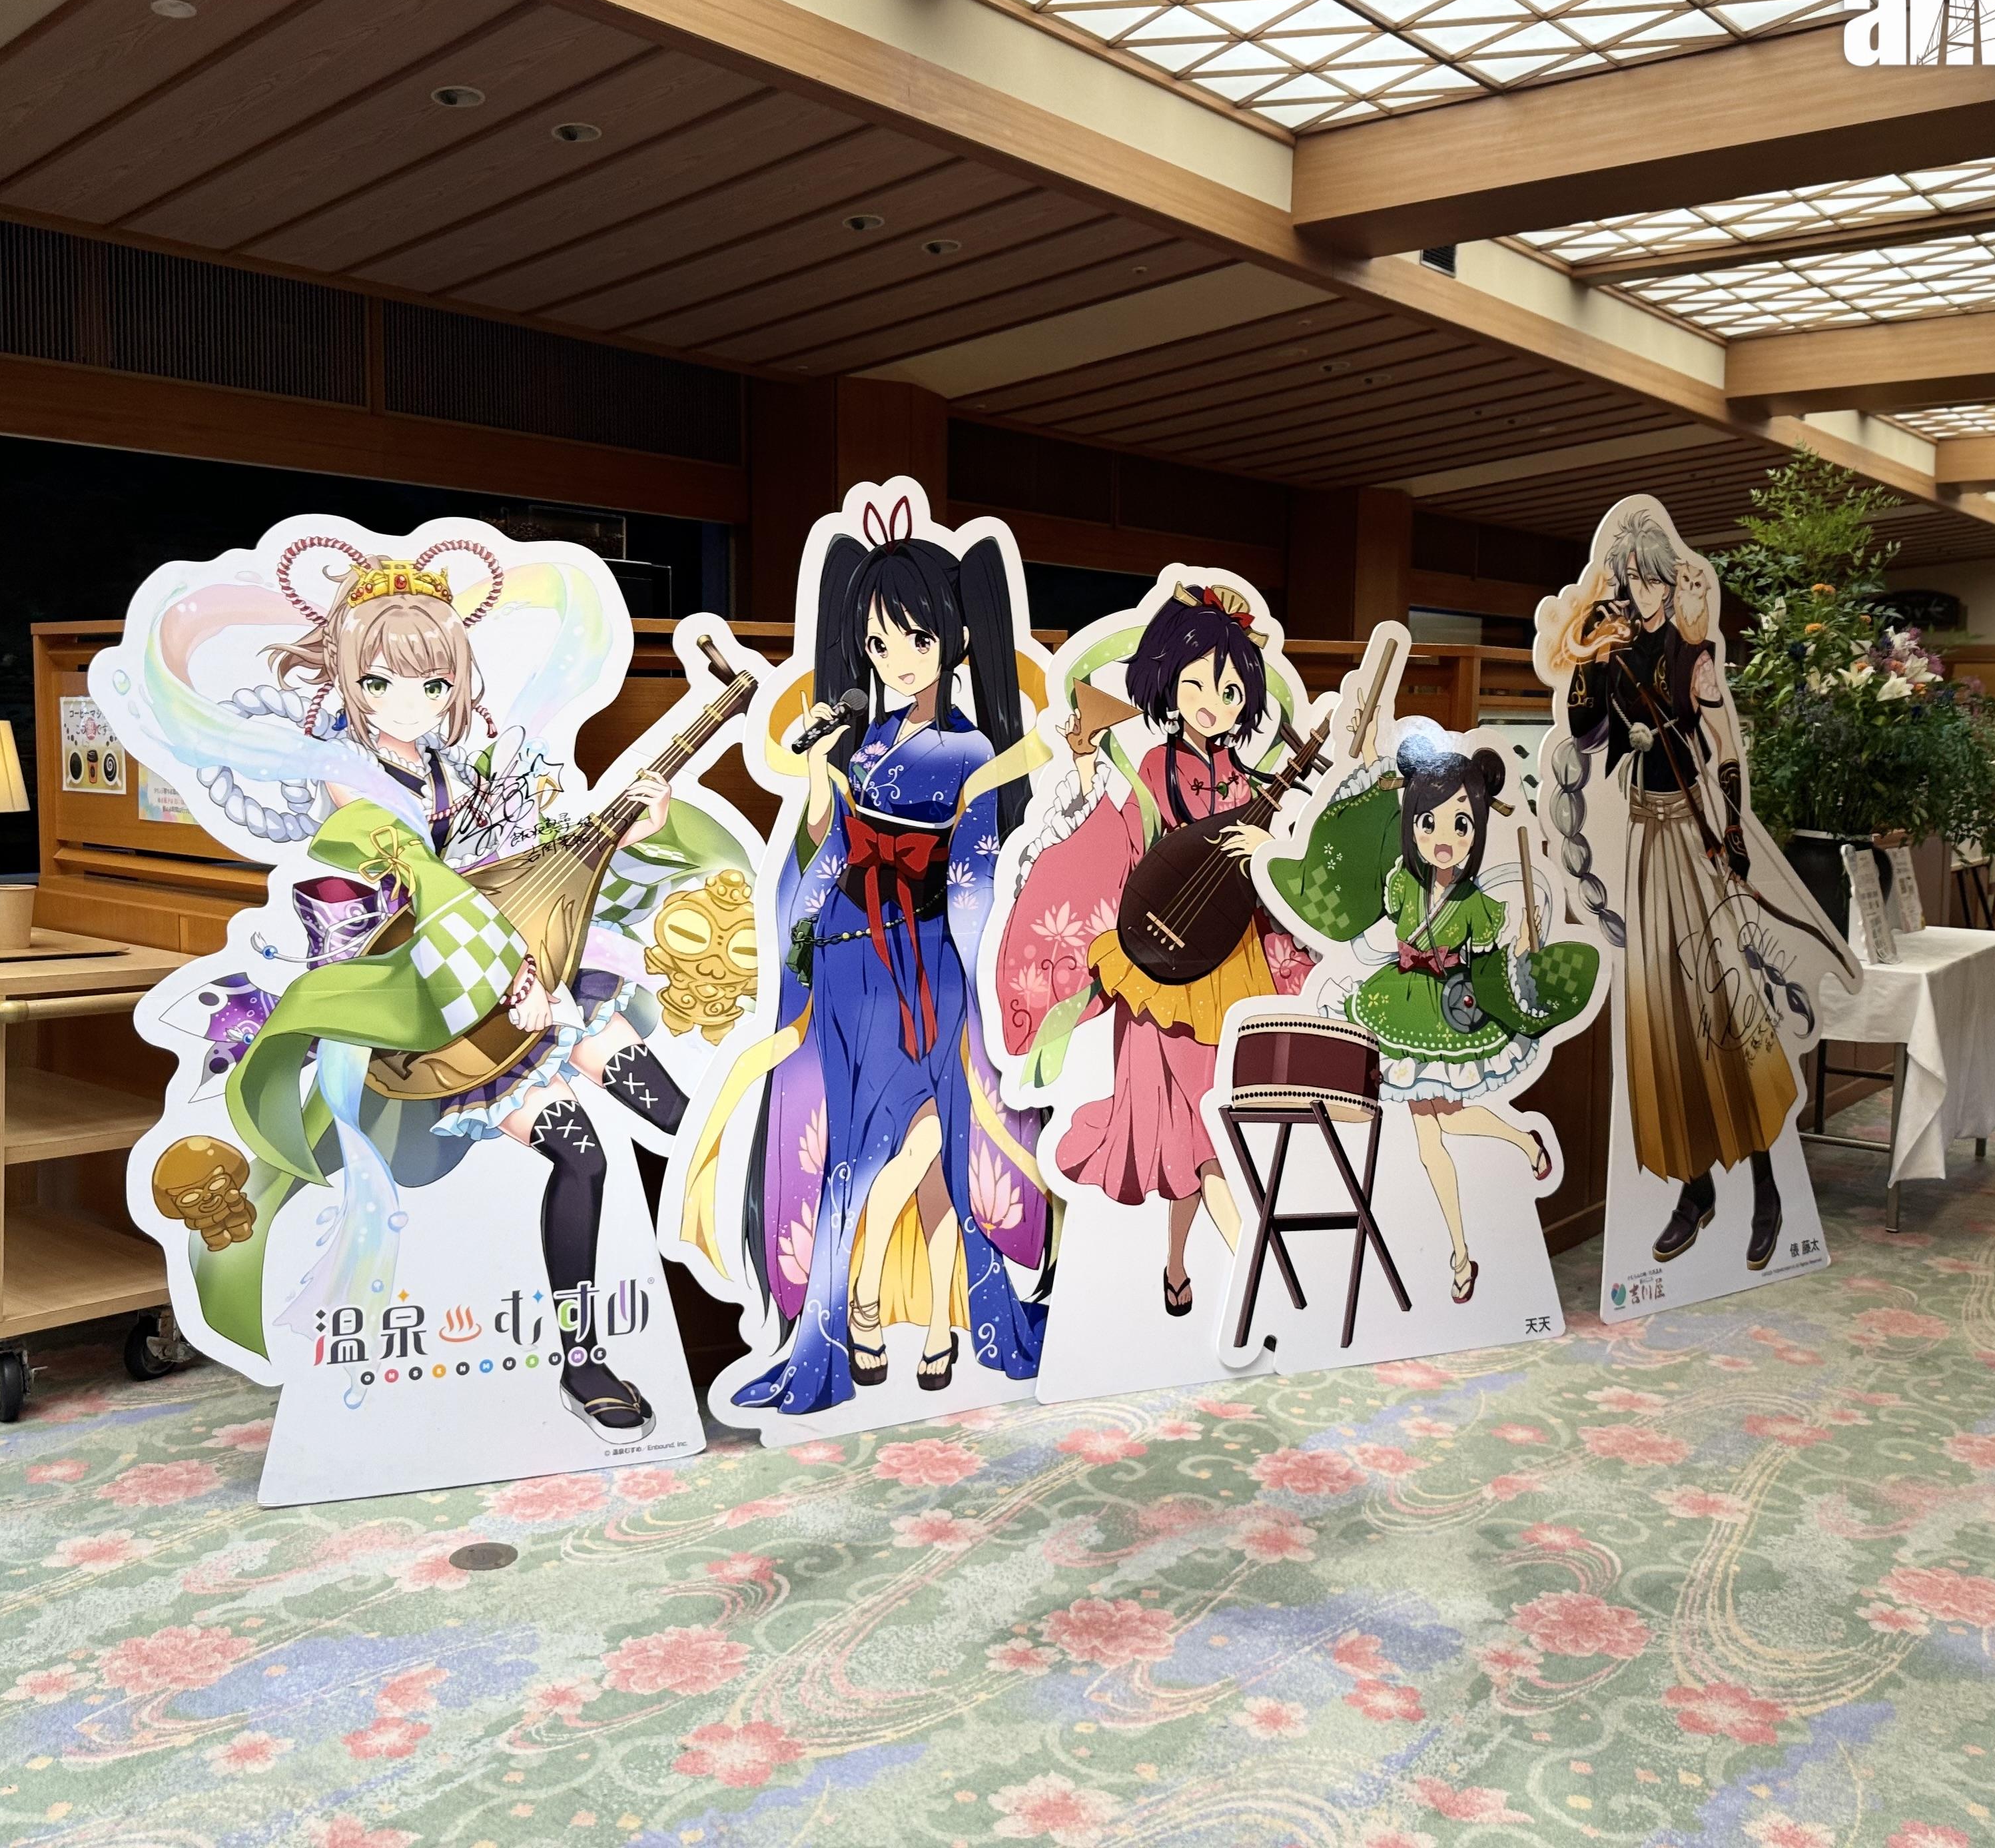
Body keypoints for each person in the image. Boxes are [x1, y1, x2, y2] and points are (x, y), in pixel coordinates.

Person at [216, 538, 699, 1442]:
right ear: (350, 679)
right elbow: (430, 895)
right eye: (383, 683)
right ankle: (582, 1359)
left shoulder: (451, 767)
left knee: (673, 1107)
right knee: (584, 1155)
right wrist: (506, 974)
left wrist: (628, 832)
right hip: (423, 1001)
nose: (411, 703)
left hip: (516, 958)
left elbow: (519, 866)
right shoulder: (348, 780)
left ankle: (754, 1258)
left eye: (434, 684)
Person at [679, 504, 1048, 1414]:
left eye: (917, 639)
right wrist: (818, 766)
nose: (897, 659)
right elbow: (828, 838)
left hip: (927, 959)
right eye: (881, 644)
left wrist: (980, 954)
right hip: (853, 959)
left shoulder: (968, 747)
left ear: (955, 640)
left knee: (934, 1133)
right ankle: (866, 1323)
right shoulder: (868, 741)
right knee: (855, 1145)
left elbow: (974, 862)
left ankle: (894, 1308)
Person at [998, 584, 1313, 1316]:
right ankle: (1254, 1270)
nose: (1213, 702)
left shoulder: (1250, 781)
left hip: (1232, 965)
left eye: (1230, 691)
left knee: (1212, 1124)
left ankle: (1190, 1264)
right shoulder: (1153, 770)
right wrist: (1083, 769)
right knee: (1190, 1130)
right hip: (1161, 966)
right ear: (1169, 682)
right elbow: (1125, 849)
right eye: (1197, 684)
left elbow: (1273, 876)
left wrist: (1266, 852)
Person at [1543, 509, 1828, 1270]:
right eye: (1630, 579)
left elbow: (1723, 740)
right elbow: (1586, 731)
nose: (1639, 591)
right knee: (1660, 1013)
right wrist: (1587, 656)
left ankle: (1766, 1185)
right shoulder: (1614, 653)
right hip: (1644, 836)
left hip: (1693, 837)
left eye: (1649, 579)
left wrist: (1733, 831)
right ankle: (1696, 1189)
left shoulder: (1690, 652)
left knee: (1722, 1003)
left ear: (1669, 584)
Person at [1265, 735, 1599, 1304]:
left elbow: (1491, 961)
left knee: (1440, 1125)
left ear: (1477, 831)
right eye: (1429, 822)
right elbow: (1380, 932)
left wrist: (1524, 944)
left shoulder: (1476, 904)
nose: (1444, 838)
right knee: (1437, 1127)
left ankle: (1469, 1240)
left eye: (1461, 825)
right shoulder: (1402, 883)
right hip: (1397, 1001)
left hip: (1446, 1011)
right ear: (1413, 825)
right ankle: (1479, 1221)